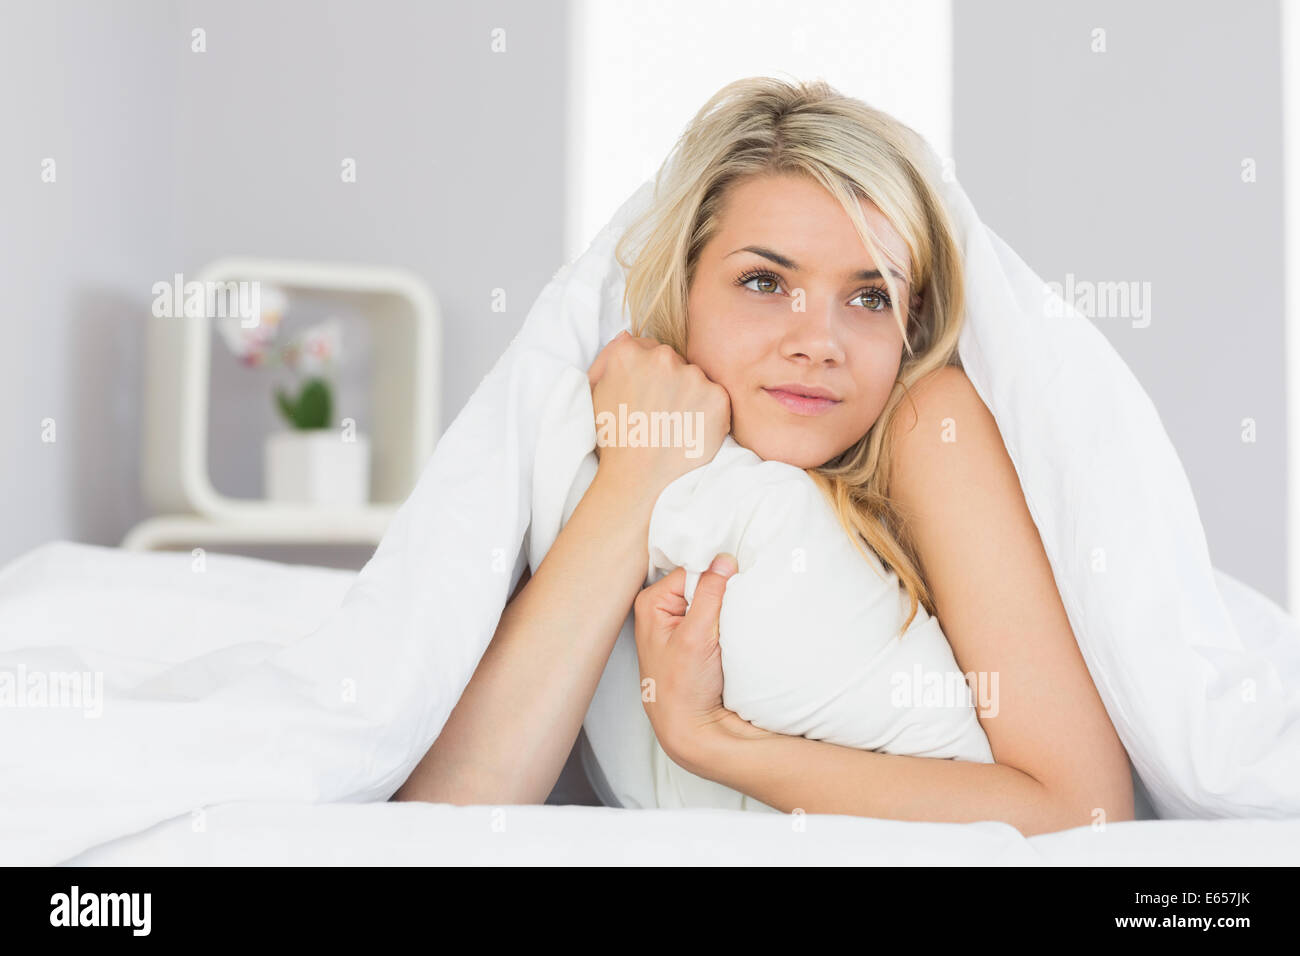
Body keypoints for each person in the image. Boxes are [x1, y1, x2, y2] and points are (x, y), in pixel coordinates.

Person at [393, 76, 1135, 836]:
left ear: (912, 322)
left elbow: (1079, 810)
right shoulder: (604, 433)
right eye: (764, 281)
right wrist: (636, 479)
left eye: (870, 295)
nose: (818, 341)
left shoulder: (925, 425)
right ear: (682, 290)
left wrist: (712, 742)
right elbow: (450, 813)